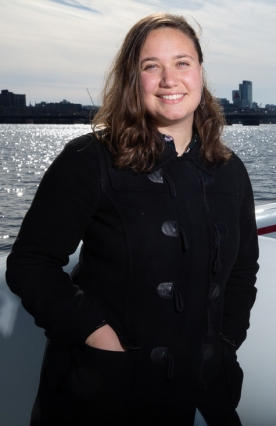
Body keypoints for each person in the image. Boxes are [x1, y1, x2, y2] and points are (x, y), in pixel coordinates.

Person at [6, 13, 259, 426]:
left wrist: (227, 340)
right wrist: (98, 336)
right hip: (108, 394)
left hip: (207, 394)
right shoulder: (90, 159)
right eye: (150, 66)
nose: (169, 79)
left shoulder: (229, 171)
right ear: (132, 78)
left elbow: (242, 271)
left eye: (182, 62)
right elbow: (30, 263)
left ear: (200, 73)